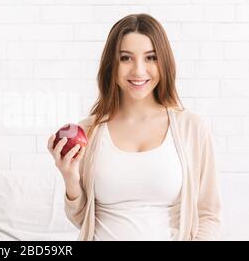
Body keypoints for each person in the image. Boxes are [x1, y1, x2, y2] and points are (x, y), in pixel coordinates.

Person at [47, 13, 222, 241]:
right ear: (112, 64)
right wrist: (70, 178)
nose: (139, 70)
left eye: (150, 58)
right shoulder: (89, 131)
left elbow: (209, 216)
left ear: (164, 62)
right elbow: (81, 219)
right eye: (126, 58)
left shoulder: (192, 128)